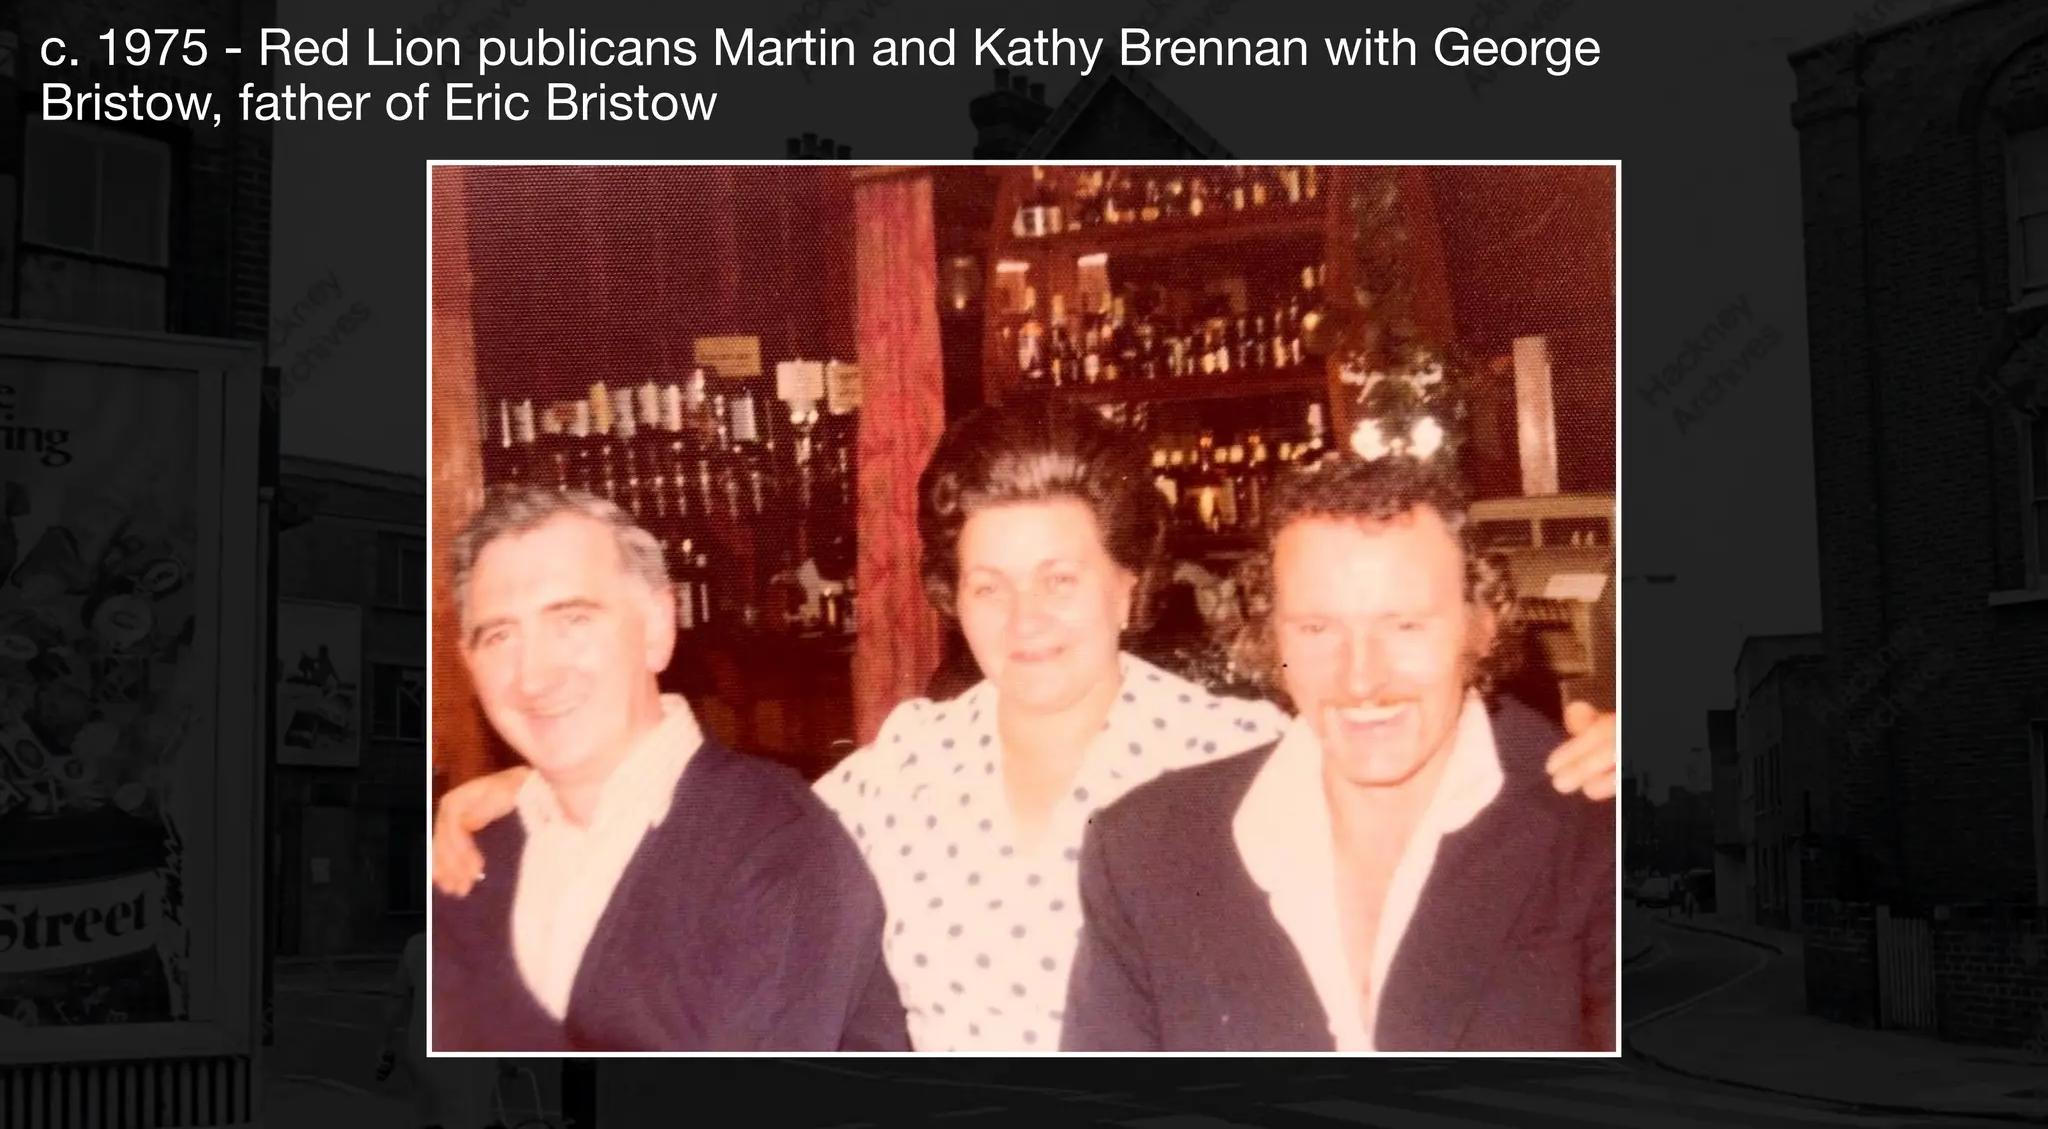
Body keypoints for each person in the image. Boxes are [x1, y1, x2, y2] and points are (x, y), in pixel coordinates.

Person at [432, 401, 1618, 1051]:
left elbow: (1414, 749)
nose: (1025, 619)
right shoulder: (899, 769)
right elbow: (712, 823)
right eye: (987, 585)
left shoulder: (1235, 757)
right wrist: (546, 790)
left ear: (1128, 585)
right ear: (950, 601)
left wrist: (1583, 746)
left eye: (1061, 578)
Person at [1060, 454, 1615, 1052]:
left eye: (1405, 625)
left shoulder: (1599, 832)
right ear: (1269, 636)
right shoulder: (1146, 851)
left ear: (1482, 626)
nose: (1361, 679)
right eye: (1317, 629)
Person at [430, 486, 908, 1051]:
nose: (534, 676)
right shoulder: (466, 858)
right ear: (467, 662)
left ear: (657, 628)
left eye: (573, 620)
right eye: (500, 636)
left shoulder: (778, 850)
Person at [380, 930, 498, 1128]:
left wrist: (386, 1044)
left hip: (422, 1050)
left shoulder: (416, 945)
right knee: (469, 1117)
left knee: (429, 1117)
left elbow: (397, 999)